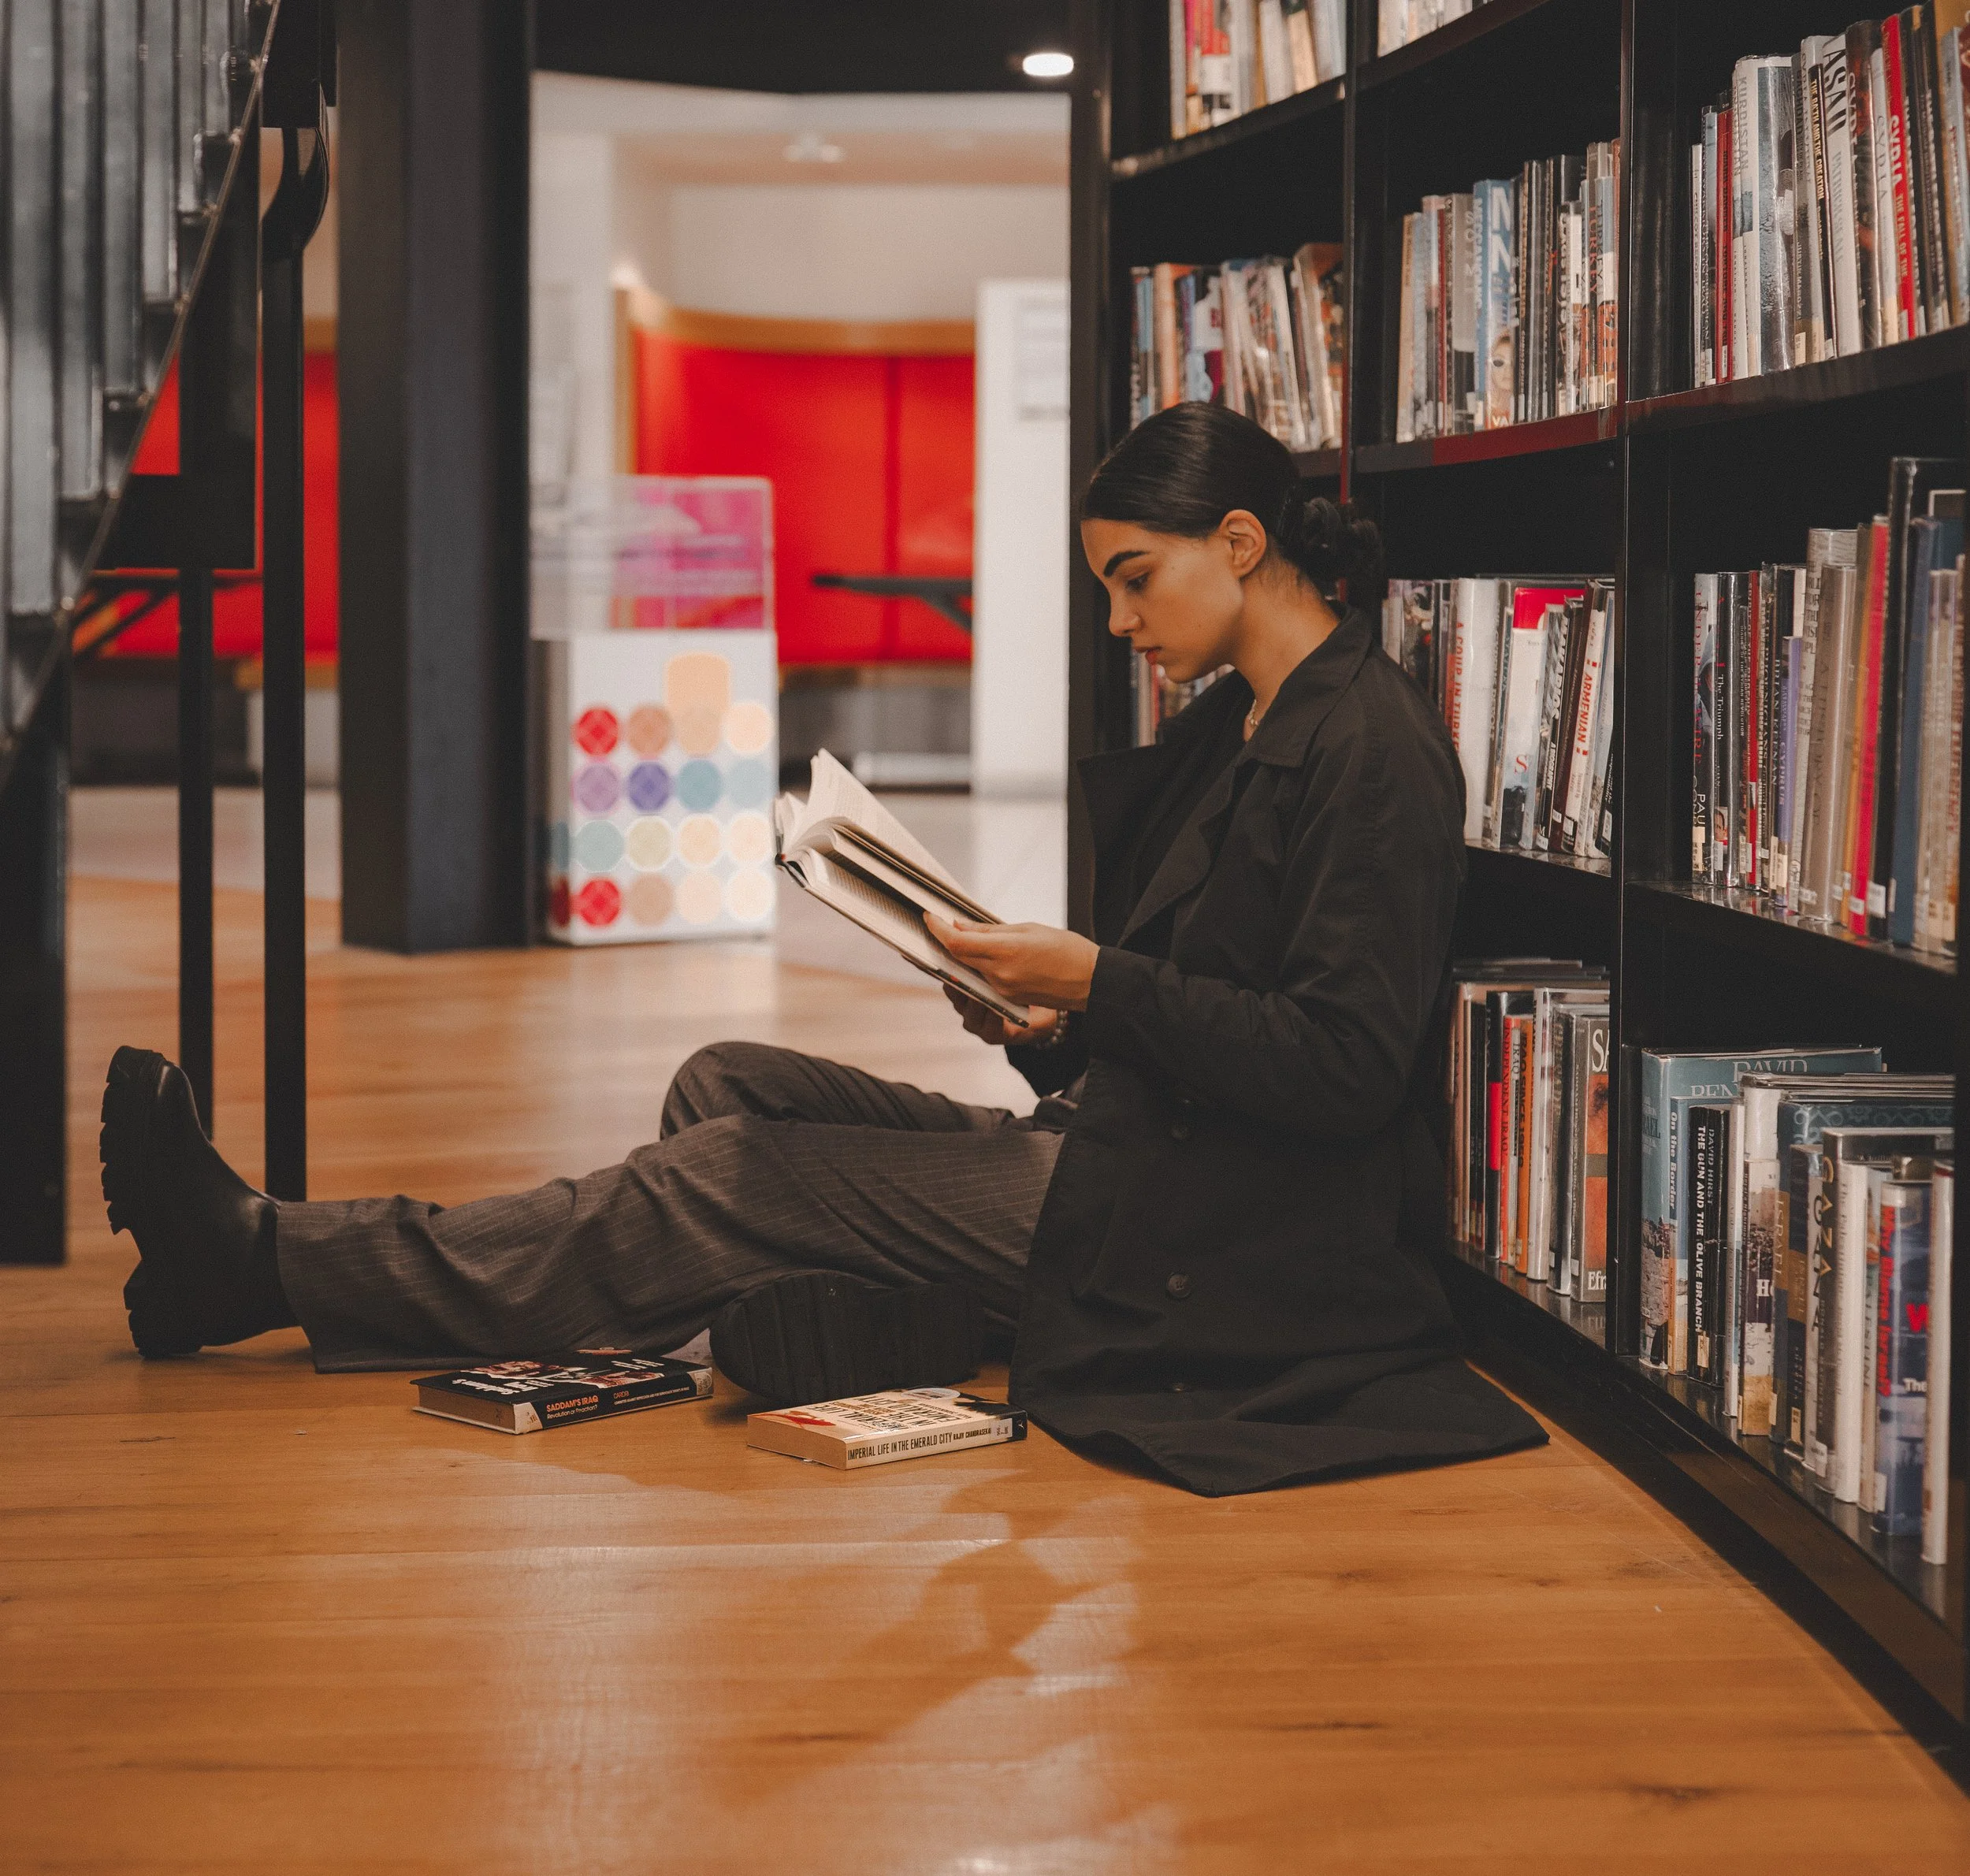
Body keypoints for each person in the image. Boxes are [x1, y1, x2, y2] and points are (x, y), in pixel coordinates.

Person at [102, 403, 1544, 1496]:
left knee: (732, 1180)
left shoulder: (1372, 749)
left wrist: (1099, 983)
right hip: (1134, 1149)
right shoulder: (1250, 716)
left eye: (1135, 580)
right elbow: (1212, 1007)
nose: (1119, 621)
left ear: (1242, 544)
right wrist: (1053, 1017)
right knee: (724, 1081)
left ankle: (273, 1265)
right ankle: (820, 1319)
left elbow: (1345, 1068)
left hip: (1206, 1230)